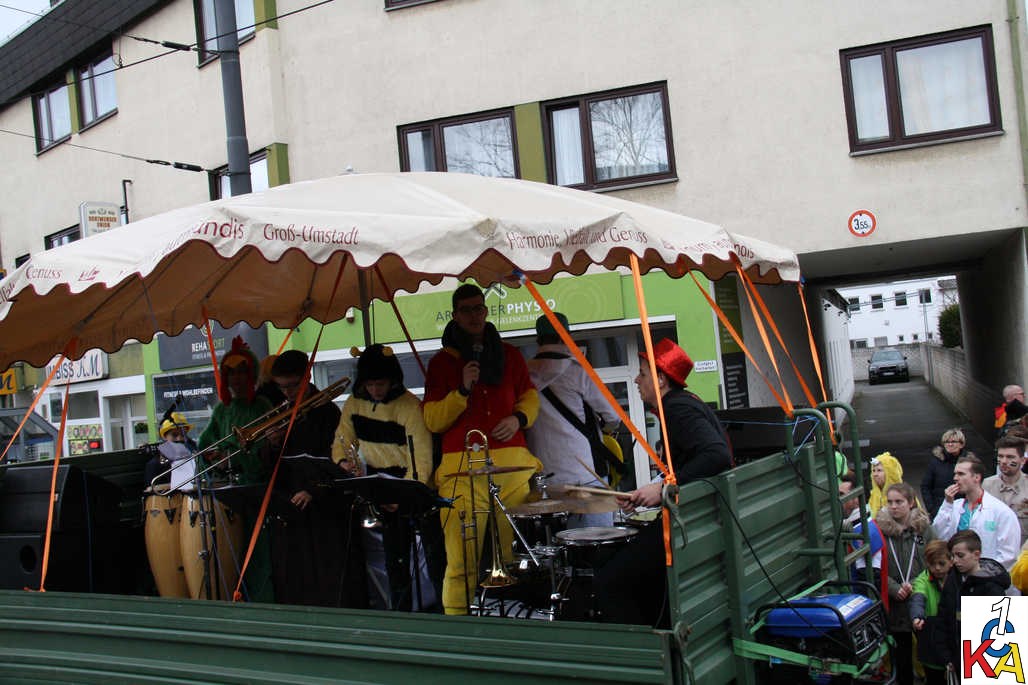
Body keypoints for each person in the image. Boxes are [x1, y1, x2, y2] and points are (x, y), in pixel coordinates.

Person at [423, 284, 541, 616]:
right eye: (466, 310)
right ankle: (458, 625)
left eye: (479, 308)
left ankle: (513, 619)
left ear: (486, 311)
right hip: (461, 469)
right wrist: (462, 390)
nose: (474, 316)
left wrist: (518, 419)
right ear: (455, 315)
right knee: (461, 560)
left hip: (511, 465)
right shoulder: (442, 363)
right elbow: (432, 420)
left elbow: (529, 397)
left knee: (512, 557)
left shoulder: (511, 355)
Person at [597, 338, 732, 626]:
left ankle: (645, 647)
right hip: (698, 514)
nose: (636, 379)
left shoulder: (677, 409)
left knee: (611, 581)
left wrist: (662, 489)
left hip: (691, 520)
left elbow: (716, 454)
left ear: (660, 380)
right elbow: (690, 461)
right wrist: (651, 489)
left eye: (642, 373)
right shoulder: (684, 402)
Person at [335, 344, 439, 611]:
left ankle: (440, 611)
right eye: (369, 384)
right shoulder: (354, 403)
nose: (375, 390)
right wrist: (343, 461)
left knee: (434, 558)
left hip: (412, 484)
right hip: (378, 480)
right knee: (395, 559)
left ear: (393, 380)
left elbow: (421, 459)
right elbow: (342, 439)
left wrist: (402, 496)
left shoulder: (410, 406)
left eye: (380, 384)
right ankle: (400, 614)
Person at [265, 350, 363, 608]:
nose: (287, 392)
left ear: (307, 377)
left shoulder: (327, 412)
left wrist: (312, 489)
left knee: (329, 579)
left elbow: (334, 460)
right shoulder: (282, 412)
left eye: (292, 385)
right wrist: (273, 444)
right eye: (281, 387)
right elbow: (276, 466)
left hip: (325, 507)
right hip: (294, 504)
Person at [197, 336, 276, 602]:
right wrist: (212, 458)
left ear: (251, 375)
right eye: (231, 374)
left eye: (242, 373)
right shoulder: (222, 410)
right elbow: (204, 445)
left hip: (255, 493)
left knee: (257, 551)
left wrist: (237, 457)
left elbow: (265, 454)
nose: (236, 380)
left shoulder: (262, 406)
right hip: (229, 494)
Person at [525, 312, 621, 527]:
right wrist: (605, 428)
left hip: (544, 480)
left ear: (538, 340)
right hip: (586, 475)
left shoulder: (524, 373)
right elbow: (613, 416)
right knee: (599, 540)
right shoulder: (578, 371)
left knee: (559, 543)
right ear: (565, 337)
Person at [875, 483, 935, 685]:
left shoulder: (924, 530)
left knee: (929, 653)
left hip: (921, 598)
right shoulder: (878, 531)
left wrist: (915, 584)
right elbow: (874, 567)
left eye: (899, 502)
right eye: (890, 502)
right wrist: (894, 588)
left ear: (910, 503)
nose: (894, 506)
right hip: (895, 605)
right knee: (901, 658)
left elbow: (936, 561)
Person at [933, 530, 1010, 676]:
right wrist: (946, 656)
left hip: (983, 666)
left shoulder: (992, 588)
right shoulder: (953, 580)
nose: (955, 561)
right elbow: (943, 616)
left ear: (976, 554)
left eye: (960, 555)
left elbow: (999, 635)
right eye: (953, 556)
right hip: (955, 661)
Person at [932, 455, 1020, 570]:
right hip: (957, 574)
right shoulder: (954, 507)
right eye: (955, 474)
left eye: (961, 474)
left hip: (988, 576)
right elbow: (940, 535)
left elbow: (1009, 554)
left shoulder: (1001, 511)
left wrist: (983, 572)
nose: (955, 478)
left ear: (977, 477)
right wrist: (947, 504)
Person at [909, 539, 953, 685]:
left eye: (941, 563)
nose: (937, 568)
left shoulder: (958, 579)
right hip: (931, 640)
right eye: (932, 564)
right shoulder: (923, 580)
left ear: (951, 561)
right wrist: (917, 616)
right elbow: (918, 598)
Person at [983, 436, 1028, 548]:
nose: (1003, 461)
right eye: (1000, 456)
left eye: (1010, 457)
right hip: (993, 550)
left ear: (1023, 460)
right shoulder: (987, 485)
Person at [921, 428, 975, 519]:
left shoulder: (970, 462)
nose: (950, 444)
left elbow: (975, 486)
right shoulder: (935, 462)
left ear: (961, 444)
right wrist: (932, 509)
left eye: (953, 441)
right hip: (940, 510)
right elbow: (925, 486)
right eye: (946, 442)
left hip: (964, 510)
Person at [868, 452, 904, 517]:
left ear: (891, 473)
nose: (875, 474)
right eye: (873, 470)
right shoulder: (874, 495)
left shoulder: (903, 494)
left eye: (879, 470)